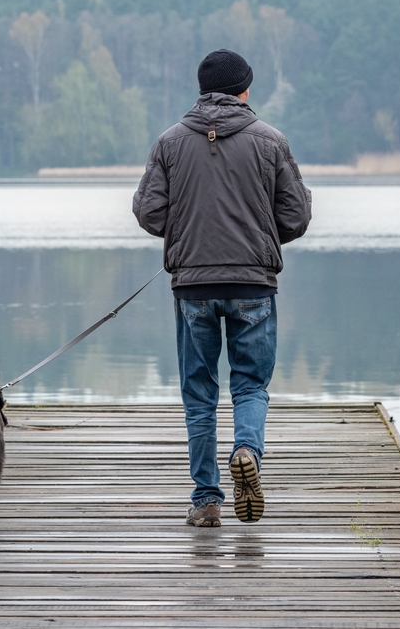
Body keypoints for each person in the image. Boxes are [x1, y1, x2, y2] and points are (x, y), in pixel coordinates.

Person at [132, 49, 312, 527]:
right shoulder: (271, 141)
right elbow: (296, 216)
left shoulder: (170, 142)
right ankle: (248, 450)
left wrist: (188, 227)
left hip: (193, 286)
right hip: (253, 282)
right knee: (250, 384)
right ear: (245, 90)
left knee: (199, 391)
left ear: (202, 90)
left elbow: (148, 212)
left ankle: (207, 500)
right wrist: (259, 232)